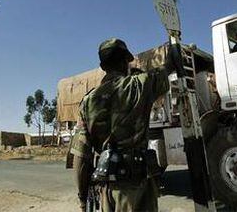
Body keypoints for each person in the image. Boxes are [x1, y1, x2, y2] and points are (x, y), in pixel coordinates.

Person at [71, 38, 178, 212]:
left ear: (103, 66)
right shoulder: (139, 85)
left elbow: (81, 159)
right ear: (124, 62)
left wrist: (83, 199)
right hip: (136, 187)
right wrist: (174, 43)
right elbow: (169, 67)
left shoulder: (87, 102)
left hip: (106, 190)